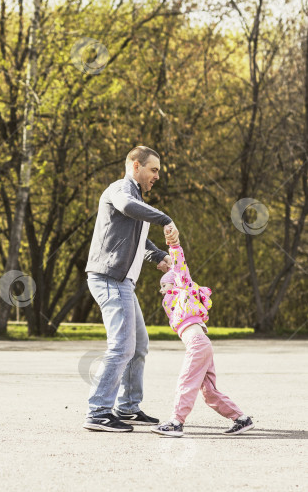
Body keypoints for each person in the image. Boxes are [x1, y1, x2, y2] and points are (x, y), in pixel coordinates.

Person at [83, 146, 180, 433]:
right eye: (154, 169)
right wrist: (164, 218)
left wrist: (159, 256)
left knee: (138, 345)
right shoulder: (120, 190)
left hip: (122, 281)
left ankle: (127, 407)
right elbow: (127, 207)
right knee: (122, 346)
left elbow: (138, 240)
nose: (157, 176)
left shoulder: (136, 197)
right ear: (136, 166)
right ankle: (98, 412)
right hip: (109, 278)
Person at [151, 241, 254, 437]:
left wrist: (173, 245)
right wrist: (164, 261)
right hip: (202, 345)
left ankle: (176, 422)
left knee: (186, 382)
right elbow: (174, 270)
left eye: (163, 285)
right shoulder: (177, 301)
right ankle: (241, 419)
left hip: (197, 345)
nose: (161, 290)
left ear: (175, 283)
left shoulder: (183, 291)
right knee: (208, 391)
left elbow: (180, 267)